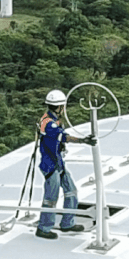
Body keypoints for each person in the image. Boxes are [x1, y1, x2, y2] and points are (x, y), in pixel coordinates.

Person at [35, 89, 93, 238]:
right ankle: (44, 228)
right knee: (51, 197)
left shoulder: (53, 120)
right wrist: (83, 140)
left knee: (71, 191)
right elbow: (63, 137)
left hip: (58, 163)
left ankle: (67, 223)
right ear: (59, 107)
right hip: (50, 165)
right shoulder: (49, 124)